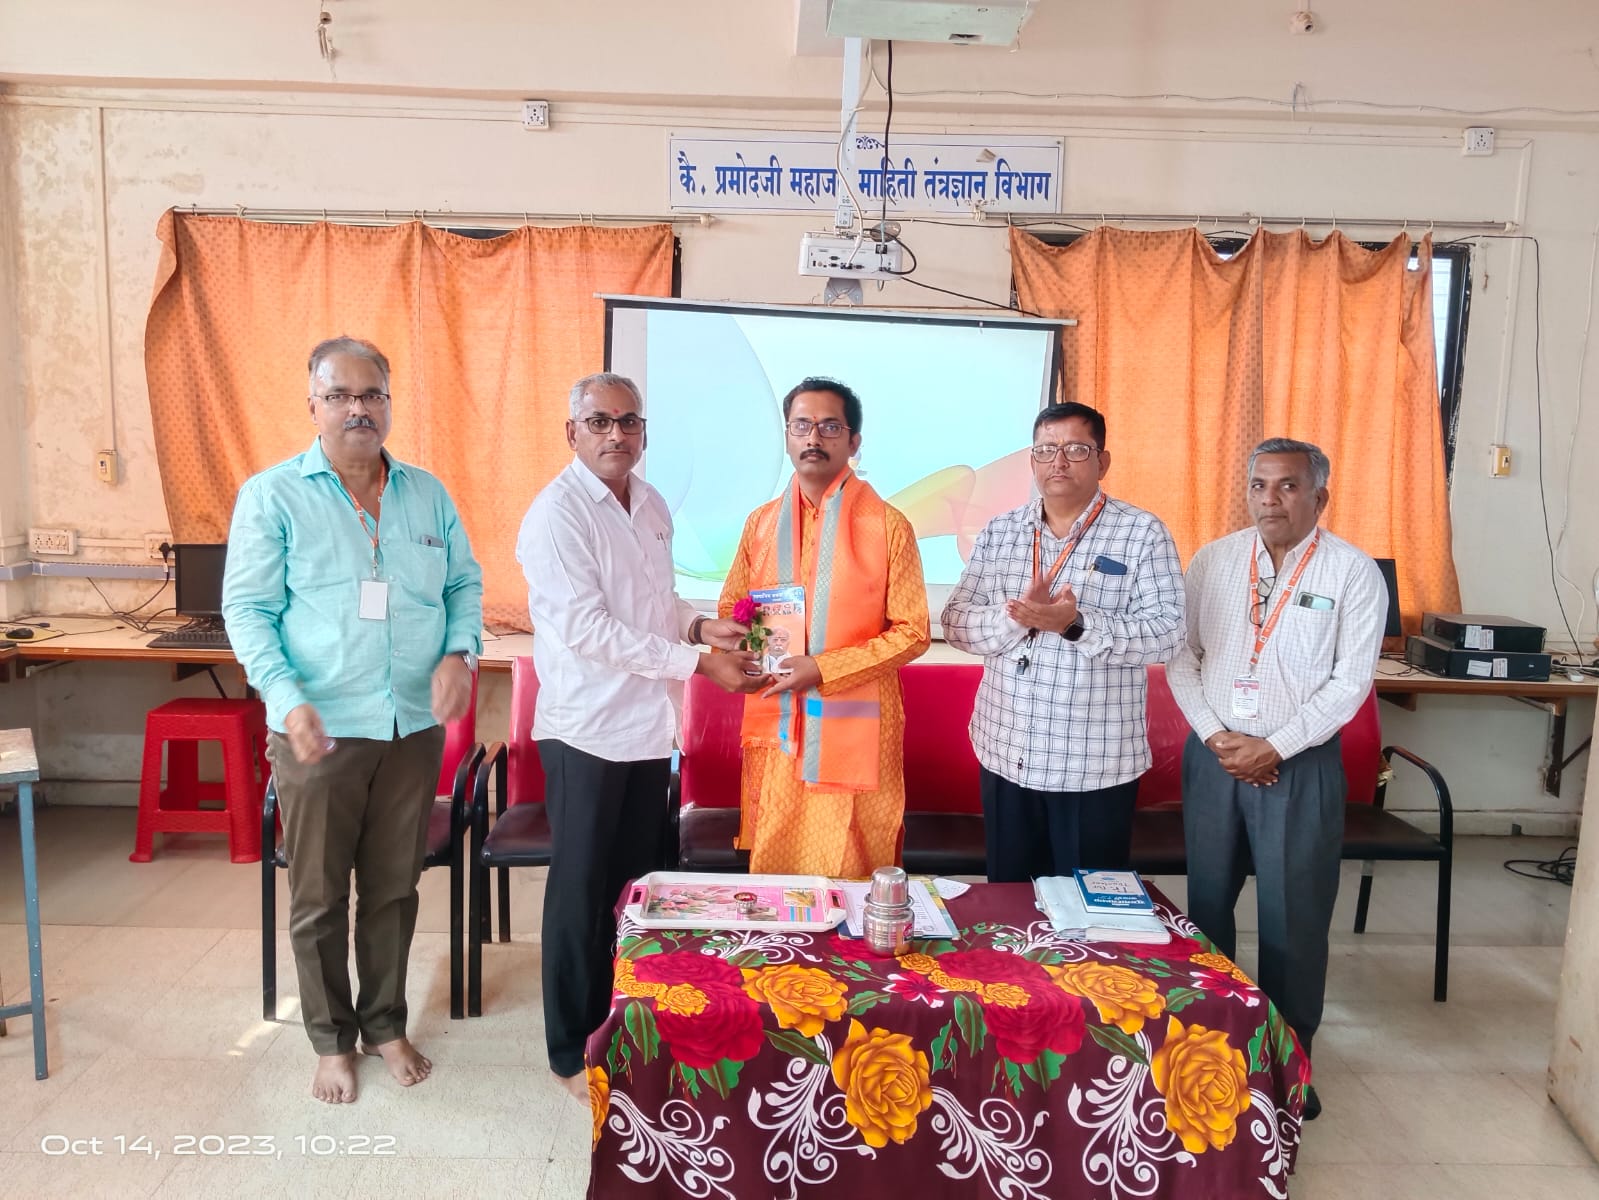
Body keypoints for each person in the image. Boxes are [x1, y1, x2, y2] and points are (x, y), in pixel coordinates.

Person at [223, 336, 483, 1105]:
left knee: (395, 888)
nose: (357, 409)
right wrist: (285, 698)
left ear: (389, 405)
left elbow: (463, 586)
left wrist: (458, 653)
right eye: (339, 395)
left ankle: (384, 1024)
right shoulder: (273, 496)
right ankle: (331, 1041)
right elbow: (247, 610)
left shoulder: (427, 495)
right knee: (319, 896)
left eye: (371, 395)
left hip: (410, 726)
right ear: (313, 406)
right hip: (319, 727)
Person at [516, 371, 763, 1098]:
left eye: (628, 422)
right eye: (599, 421)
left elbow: (657, 602)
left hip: (650, 730)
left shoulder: (650, 502)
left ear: (643, 432)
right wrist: (699, 663)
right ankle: (570, 1052)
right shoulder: (556, 515)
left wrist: (700, 625)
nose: (615, 434)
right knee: (581, 896)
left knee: (636, 890)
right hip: (586, 731)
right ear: (573, 432)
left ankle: (628, 1026)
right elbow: (588, 629)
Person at [1166, 437, 1385, 1123]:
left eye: (1288, 486)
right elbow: (1182, 656)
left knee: (1293, 923)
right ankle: (1211, 1055)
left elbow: (1350, 683)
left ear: (1320, 496)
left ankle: (1290, 1067)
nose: (1270, 499)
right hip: (1215, 757)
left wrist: (1275, 747)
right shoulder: (1214, 560)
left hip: (1299, 764)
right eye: (1258, 485)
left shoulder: (1352, 573)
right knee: (1206, 911)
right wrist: (1216, 737)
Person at [941, 402, 1184, 881]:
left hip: (1093, 766)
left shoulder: (1142, 533)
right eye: (1045, 450)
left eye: (1075, 450)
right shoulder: (1001, 531)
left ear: (1102, 461)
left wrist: (1074, 625)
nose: (1058, 461)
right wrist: (1016, 618)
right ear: (1031, 460)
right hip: (1007, 752)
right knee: (1011, 903)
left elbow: (1168, 634)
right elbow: (955, 623)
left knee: (1087, 912)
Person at [719, 377, 930, 877]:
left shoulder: (889, 526)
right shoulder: (760, 524)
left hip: (856, 727)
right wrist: (740, 648)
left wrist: (823, 669)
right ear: (787, 436)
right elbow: (735, 605)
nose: (814, 438)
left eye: (830, 427)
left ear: (854, 441)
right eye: (802, 426)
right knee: (777, 855)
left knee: (851, 861)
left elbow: (912, 631)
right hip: (779, 719)